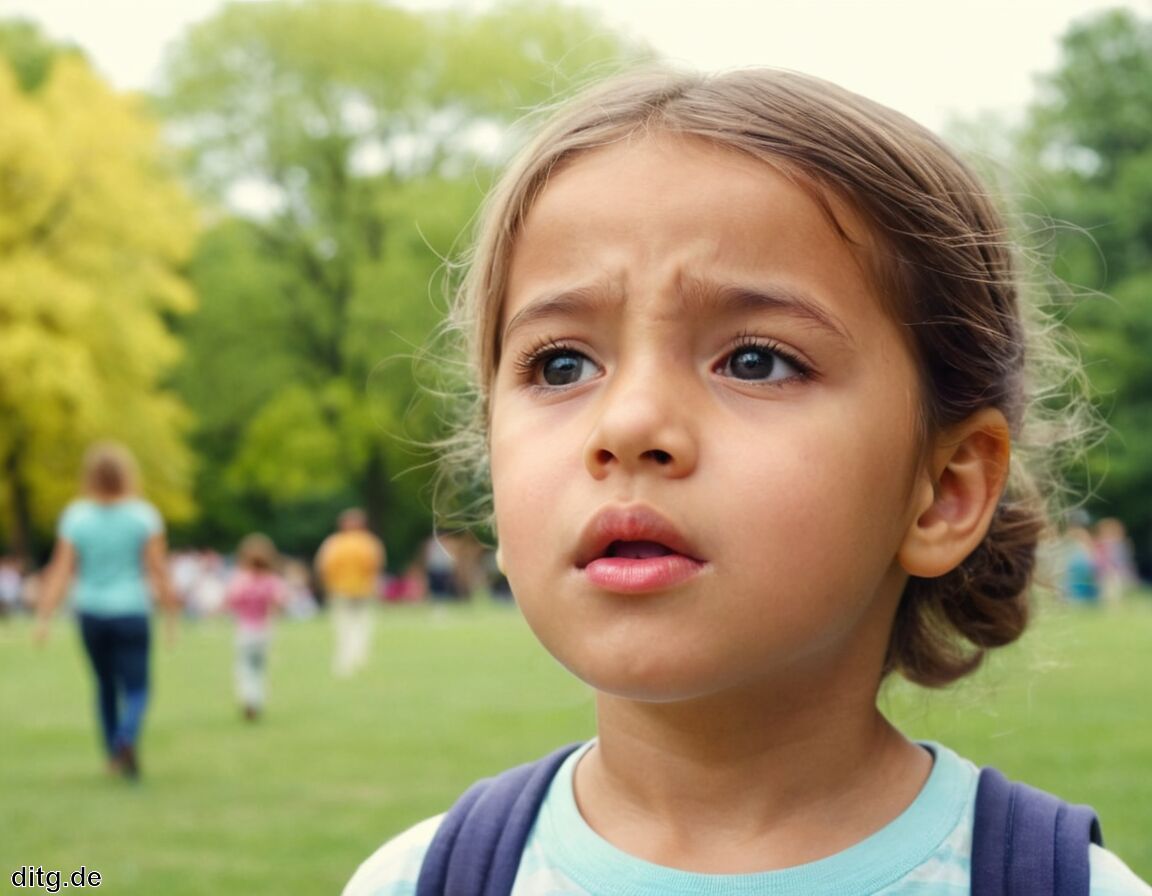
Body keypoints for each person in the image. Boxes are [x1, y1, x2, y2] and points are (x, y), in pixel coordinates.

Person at [344, 68, 1151, 894]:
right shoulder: (419, 881)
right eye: (561, 364)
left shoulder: (1064, 885)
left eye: (756, 361)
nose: (627, 427)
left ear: (945, 490)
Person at [34, 441, 178, 779]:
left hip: (91, 611)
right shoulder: (143, 515)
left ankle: (114, 752)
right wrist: (171, 612)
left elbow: (61, 570)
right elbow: (157, 570)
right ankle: (127, 734)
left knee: (104, 685)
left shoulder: (77, 516)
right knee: (138, 686)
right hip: (131, 609)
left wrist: (44, 617)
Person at [315, 508, 385, 677]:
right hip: (363, 589)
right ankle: (359, 659)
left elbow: (323, 567)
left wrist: (327, 586)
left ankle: (345, 662)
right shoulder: (369, 543)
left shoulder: (334, 543)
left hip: (340, 589)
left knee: (343, 627)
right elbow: (376, 566)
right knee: (362, 626)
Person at [224, 533, 286, 721]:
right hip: (264, 631)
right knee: (260, 669)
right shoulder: (272, 581)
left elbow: (231, 601)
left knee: (244, 668)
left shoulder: (241, 580)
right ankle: (257, 700)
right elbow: (280, 603)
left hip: (245, 631)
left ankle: (248, 698)